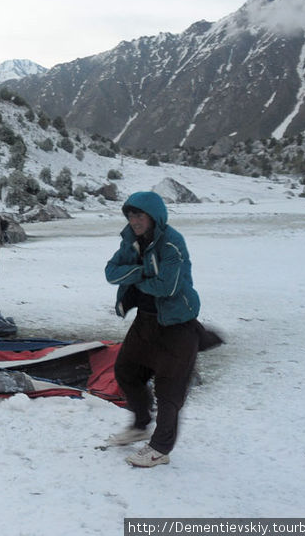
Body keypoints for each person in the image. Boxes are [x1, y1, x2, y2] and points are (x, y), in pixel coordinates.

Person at [104, 191, 207, 468]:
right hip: (146, 320)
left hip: (177, 325)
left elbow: (167, 287)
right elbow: (111, 272)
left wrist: (136, 277)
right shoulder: (131, 240)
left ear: (154, 215)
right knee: (126, 370)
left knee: (169, 390)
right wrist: (142, 273)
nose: (134, 220)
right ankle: (140, 424)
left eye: (139, 214)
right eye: (130, 214)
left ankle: (161, 448)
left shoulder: (172, 243)